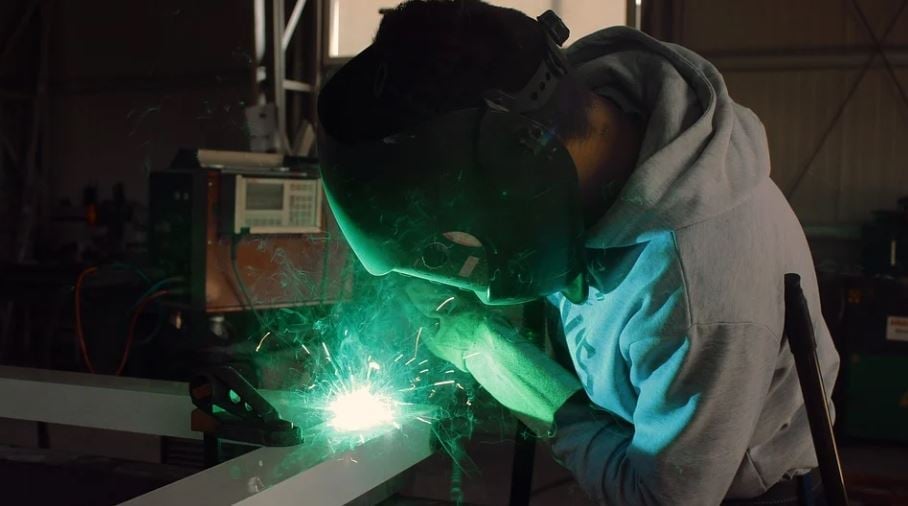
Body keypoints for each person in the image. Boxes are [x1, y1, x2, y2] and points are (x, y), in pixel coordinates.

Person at [316, 1, 840, 504]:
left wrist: (491, 354)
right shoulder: (581, 131)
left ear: (514, 170)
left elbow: (658, 498)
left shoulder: (695, 290)